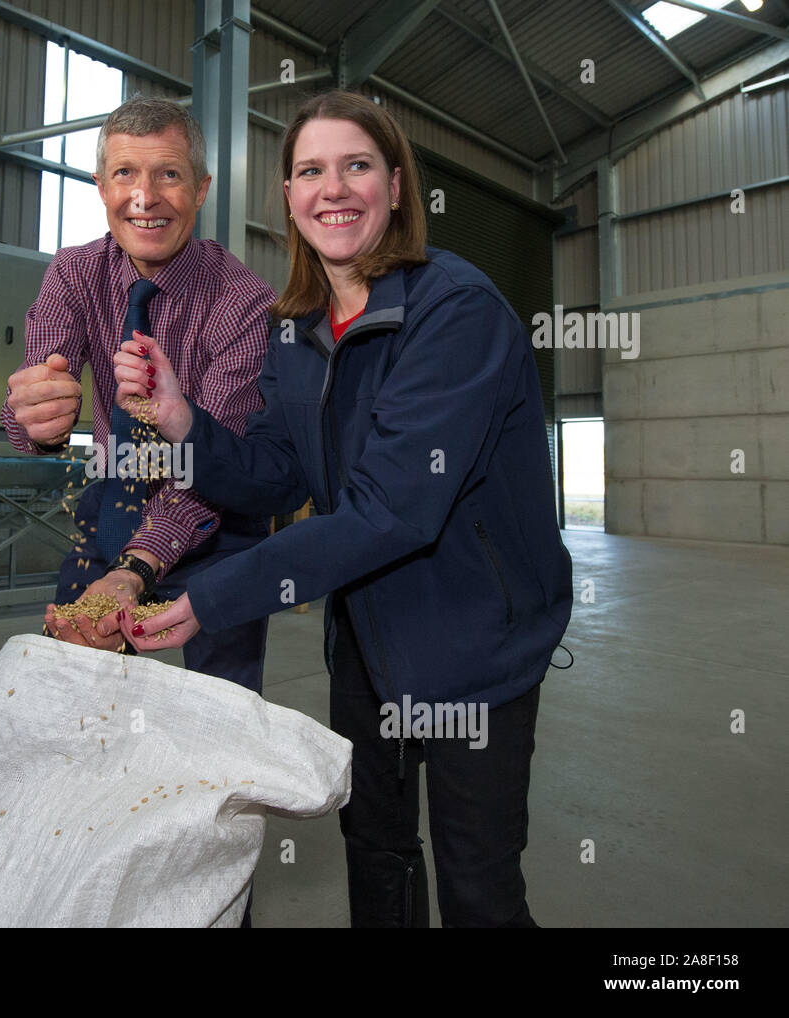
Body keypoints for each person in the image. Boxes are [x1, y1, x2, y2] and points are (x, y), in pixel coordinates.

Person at [114, 91, 573, 928]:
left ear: (396, 187)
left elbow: (389, 514)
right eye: (311, 170)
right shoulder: (298, 330)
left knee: (478, 886)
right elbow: (275, 475)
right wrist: (186, 422)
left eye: (357, 165)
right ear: (288, 197)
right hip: (366, 642)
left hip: (474, 644)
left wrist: (209, 600)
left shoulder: (454, 314)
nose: (335, 188)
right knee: (379, 855)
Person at [0, 95, 278, 694]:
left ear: (201, 190)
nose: (144, 198)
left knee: (222, 710)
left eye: (168, 175)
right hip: (114, 500)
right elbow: (32, 391)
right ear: (100, 186)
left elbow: (220, 461)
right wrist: (34, 420)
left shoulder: (245, 302)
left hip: (219, 517)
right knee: (70, 688)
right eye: (125, 173)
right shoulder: (75, 273)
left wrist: (135, 570)